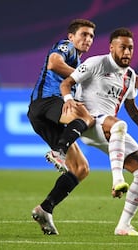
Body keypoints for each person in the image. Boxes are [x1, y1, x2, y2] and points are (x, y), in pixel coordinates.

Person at [59, 27, 138, 236]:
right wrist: (69, 102)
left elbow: (131, 107)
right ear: (112, 47)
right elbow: (67, 84)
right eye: (123, 47)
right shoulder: (96, 63)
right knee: (119, 125)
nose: (127, 53)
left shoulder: (130, 76)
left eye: (130, 48)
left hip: (110, 131)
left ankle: (123, 226)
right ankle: (117, 180)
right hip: (88, 121)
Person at [27, 19, 97, 235]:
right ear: (71, 37)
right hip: (46, 103)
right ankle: (59, 151)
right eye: (83, 34)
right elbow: (54, 63)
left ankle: (45, 209)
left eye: (91, 36)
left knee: (81, 169)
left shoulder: (79, 63)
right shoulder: (65, 47)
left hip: (46, 117)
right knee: (87, 117)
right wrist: (81, 76)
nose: (87, 39)